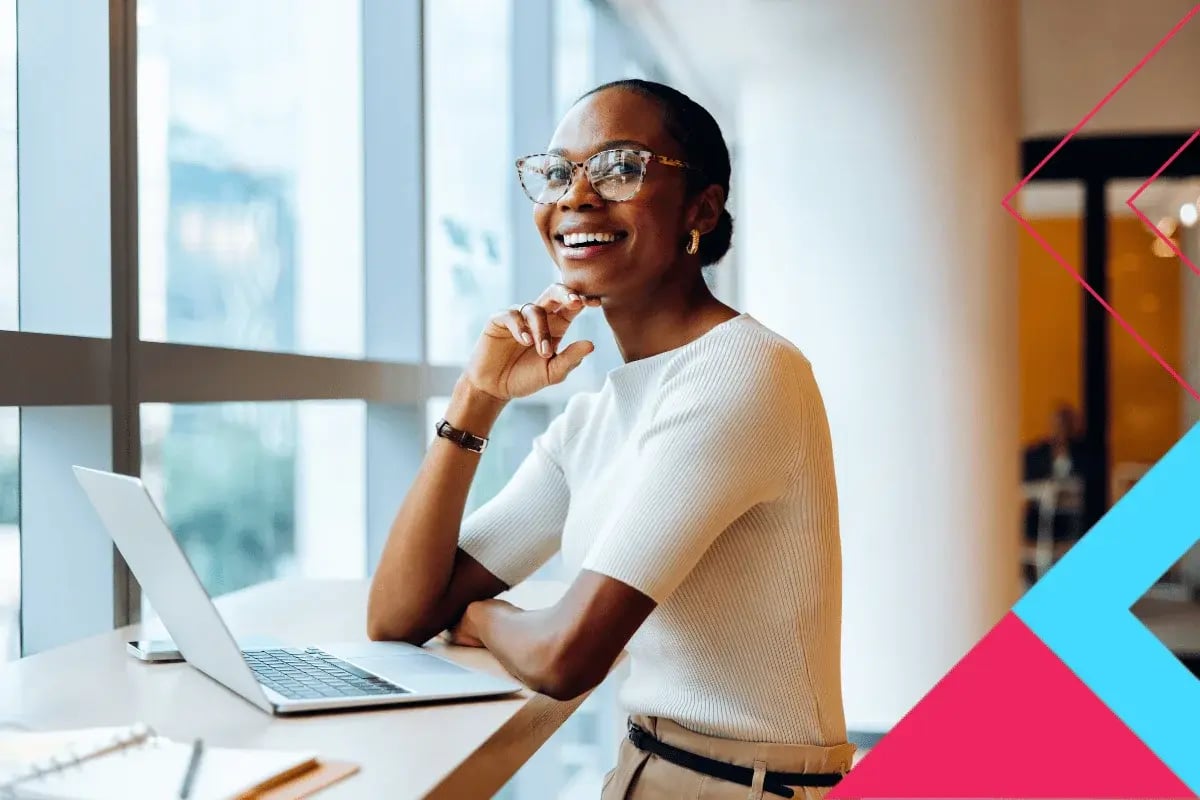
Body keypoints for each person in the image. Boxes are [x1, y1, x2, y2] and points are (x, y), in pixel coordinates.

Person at [367, 79, 855, 799]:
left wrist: (480, 614)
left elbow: (567, 654)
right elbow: (398, 614)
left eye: (620, 167)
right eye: (558, 172)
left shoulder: (744, 372)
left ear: (702, 208)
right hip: (647, 770)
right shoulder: (599, 418)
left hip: (749, 787)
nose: (576, 196)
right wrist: (477, 399)